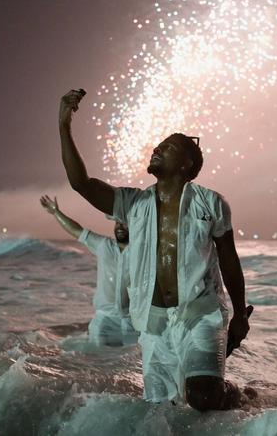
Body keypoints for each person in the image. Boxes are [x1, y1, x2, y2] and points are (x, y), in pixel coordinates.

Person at [58, 88, 251, 411]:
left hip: (200, 314)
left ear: (186, 164)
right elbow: (81, 183)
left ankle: (239, 395)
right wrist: (64, 124)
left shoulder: (211, 203)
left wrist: (240, 315)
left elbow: (230, 262)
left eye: (169, 146)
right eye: (159, 144)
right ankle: (205, 383)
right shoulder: (134, 203)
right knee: (164, 413)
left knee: (203, 397)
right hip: (153, 322)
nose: (158, 148)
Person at [39, 194, 137, 346]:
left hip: (133, 321)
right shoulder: (103, 245)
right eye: (117, 223)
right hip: (105, 319)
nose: (119, 227)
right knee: (96, 361)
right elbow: (77, 231)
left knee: (131, 364)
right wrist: (56, 212)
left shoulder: (142, 251)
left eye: (124, 224)